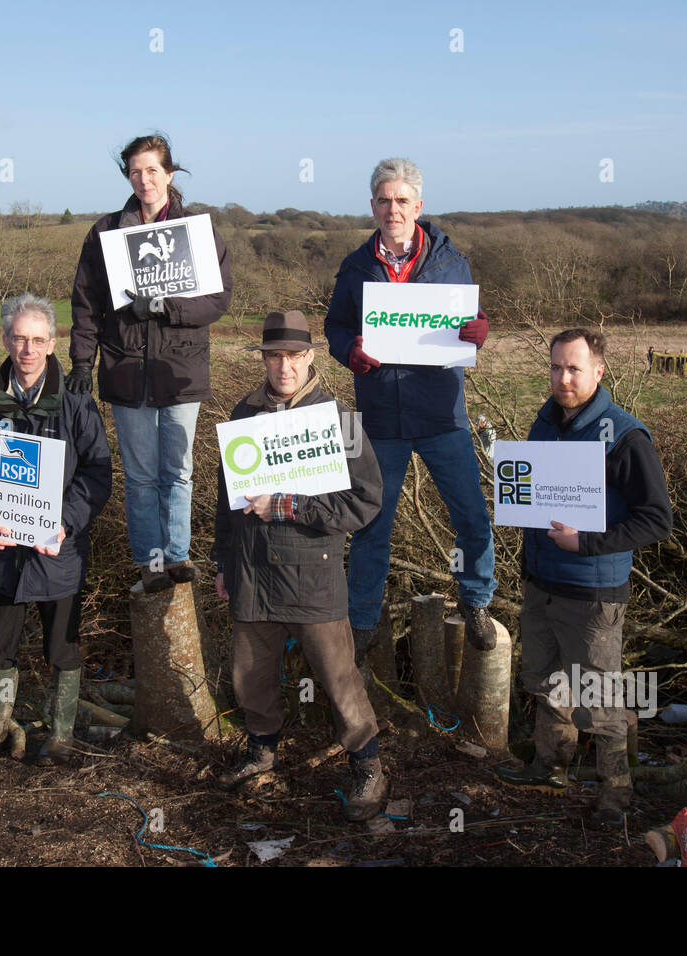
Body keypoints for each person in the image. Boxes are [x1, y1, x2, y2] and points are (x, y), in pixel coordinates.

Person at [212, 311, 389, 821]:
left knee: (337, 675)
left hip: (312, 572)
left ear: (310, 356)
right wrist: (223, 562)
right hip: (250, 571)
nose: (283, 365)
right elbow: (228, 502)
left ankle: (368, 763)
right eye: (273, 356)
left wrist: (291, 505)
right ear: (263, 359)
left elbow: (366, 501)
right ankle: (261, 750)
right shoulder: (243, 413)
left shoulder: (340, 420)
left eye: (293, 355)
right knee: (251, 673)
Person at [494, 328, 672, 828]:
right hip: (542, 583)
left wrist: (587, 542)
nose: (563, 378)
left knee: (597, 695)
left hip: (594, 590)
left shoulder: (626, 435)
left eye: (574, 368)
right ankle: (550, 767)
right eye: (555, 368)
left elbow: (657, 519)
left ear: (598, 371)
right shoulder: (543, 421)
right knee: (548, 682)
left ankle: (616, 791)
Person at [323, 157, 497, 657]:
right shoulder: (356, 268)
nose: (392, 208)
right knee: (372, 525)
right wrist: (348, 350)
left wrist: (479, 331)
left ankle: (476, 600)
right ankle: (361, 621)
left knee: (471, 517)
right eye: (383, 200)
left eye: (402, 200)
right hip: (381, 417)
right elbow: (335, 327)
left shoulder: (450, 261)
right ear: (373, 206)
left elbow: (471, 319)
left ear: (418, 206)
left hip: (443, 416)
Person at [0, 293, 112, 765]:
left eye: (38, 340)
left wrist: (65, 523)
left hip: (60, 549)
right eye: (19, 339)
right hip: (1, 546)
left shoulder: (77, 403)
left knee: (63, 646)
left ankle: (60, 733)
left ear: (53, 344)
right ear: (5, 340)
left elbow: (98, 474)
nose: (28, 350)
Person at [68, 133, 232, 593]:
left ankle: (178, 556)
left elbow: (218, 300)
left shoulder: (197, 231)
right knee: (140, 476)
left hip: (180, 371)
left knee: (177, 471)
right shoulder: (105, 232)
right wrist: (82, 361)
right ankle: (151, 562)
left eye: (152, 170)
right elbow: (85, 303)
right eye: (135, 171)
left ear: (169, 174)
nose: (144, 179)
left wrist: (164, 307)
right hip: (124, 370)